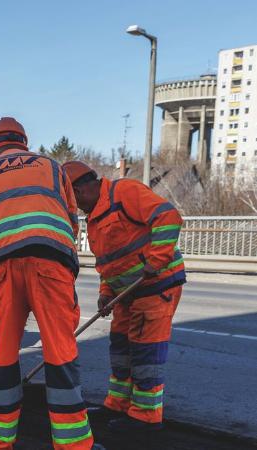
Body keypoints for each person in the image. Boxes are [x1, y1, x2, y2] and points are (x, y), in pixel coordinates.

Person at [0, 118, 96, 449]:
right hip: (50, 261)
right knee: (60, 351)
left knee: (3, 356)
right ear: (23, 141)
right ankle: (73, 443)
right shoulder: (52, 167)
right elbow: (70, 220)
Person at [62, 160, 185, 433]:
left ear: (80, 190)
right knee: (120, 349)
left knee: (145, 352)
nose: (76, 207)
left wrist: (157, 259)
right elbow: (109, 262)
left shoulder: (124, 193)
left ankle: (145, 417)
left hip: (156, 288)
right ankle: (116, 404)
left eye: (73, 200)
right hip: (126, 296)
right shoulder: (94, 219)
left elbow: (168, 217)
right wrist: (106, 293)